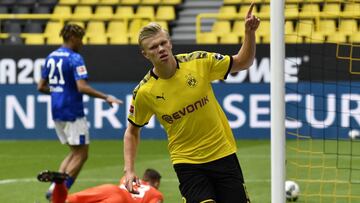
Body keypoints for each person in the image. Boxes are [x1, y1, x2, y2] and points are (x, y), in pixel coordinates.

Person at [123, 3, 260, 203]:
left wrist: (249, 33)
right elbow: (132, 131)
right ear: (146, 54)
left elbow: (243, 62)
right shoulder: (144, 92)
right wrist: (129, 170)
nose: (160, 49)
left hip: (223, 153)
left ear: (170, 43)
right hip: (187, 162)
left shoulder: (198, 62)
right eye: (153, 47)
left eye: (163, 43)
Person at [37, 24, 123, 200]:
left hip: (56, 109)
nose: (82, 43)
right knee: (82, 154)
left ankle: (55, 186)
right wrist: (106, 97)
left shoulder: (51, 56)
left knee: (75, 151)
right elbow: (82, 87)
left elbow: (41, 86)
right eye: (81, 39)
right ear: (73, 38)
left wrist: (58, 92)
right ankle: (60, 190)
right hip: (72, 110)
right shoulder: (75, 58)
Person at [37, 168, 163, 203]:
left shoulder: (130, 179)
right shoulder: (156, 194)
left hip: (108, 189)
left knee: (64, 201)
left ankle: (59, 183)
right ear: (156, 182)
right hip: (123, 200)